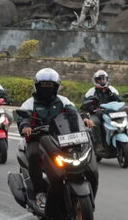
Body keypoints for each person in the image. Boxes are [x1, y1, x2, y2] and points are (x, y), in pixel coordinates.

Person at [16, 68, 94, 209]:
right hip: (37, 138)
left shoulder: (63, 101)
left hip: (60, 137)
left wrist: (84, 118)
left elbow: (74, 113)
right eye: (44, 86)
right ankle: (39, 192)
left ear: (56, 87)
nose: (47, 89)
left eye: (50, 86)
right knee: (34, 155)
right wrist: (25, 126)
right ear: (37, 86)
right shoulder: (29, 103)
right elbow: (23, 117)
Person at [81, 70, 120, 145]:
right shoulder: (91, 92)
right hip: (97, 114)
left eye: (103, 79)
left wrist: (112, 94)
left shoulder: (112, 89)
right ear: (95, 80)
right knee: (94, 123)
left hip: (111, 114)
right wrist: (93, 106)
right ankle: (98, 145)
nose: (102, 81)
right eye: (99, 79)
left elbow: (120, 100)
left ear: (107, 79)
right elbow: (84, 106)